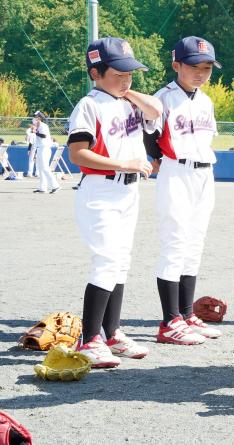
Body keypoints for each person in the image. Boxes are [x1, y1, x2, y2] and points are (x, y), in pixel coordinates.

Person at [67, 36, 163, 367]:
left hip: (127, 191)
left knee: (121, 261)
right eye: (118, 73)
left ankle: (111, 332)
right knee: (107, 260)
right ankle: (89, 339)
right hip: (100, 191)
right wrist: (125, 164)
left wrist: (128, 90)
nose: (126, 78)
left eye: (130, 72)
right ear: (95, 73)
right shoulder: (89, 105)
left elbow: (156, 110)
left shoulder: (128, 103)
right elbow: (77, 152)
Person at [144, 36, 222, 345]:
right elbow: (149, 137)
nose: (201, 73)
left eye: (207, 67)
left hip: (205, 174)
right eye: (194, 66)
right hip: (177, 172)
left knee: (194, 245)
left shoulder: (206, 100)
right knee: (174, 245)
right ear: (176, 65)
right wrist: (159, 160)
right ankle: (169, 322)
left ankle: (187, 314)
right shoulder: (161, 98)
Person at [32, 111, 60, 193]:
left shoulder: (43, 126)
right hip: (40, 148)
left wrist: (35, 132)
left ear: (39, 118)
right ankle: (42, 188)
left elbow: (44, 136)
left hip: (45, 148)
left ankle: (56, 186)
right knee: (41, 168)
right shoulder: (38, 126)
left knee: (45, 168)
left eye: (36, 117)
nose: (34, 118)